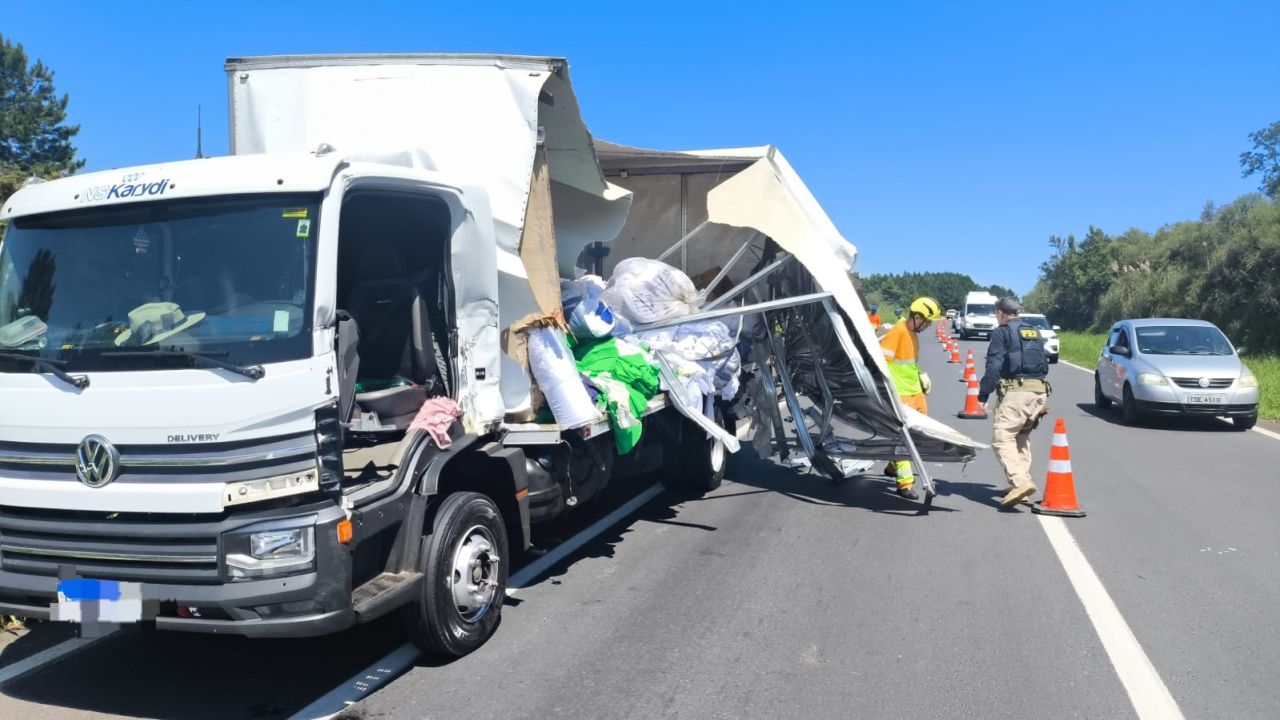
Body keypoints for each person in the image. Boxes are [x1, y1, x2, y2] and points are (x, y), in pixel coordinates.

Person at [978, 297, 1051, 507]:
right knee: (1020, 438)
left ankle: (1020, 482)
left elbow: (993, 366)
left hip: (1017, 392)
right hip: (1039, 391)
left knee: (1002, 437)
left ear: (1001, 313)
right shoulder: (1033, 331)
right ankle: (1023, 484)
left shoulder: (1002, 332)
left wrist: (984, 394)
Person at [879, 296, 940, 499]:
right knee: (904, 438)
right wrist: (888, 393)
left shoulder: (913, 334)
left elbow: (908, 364)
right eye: (928, 321)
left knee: (919, 434)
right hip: (900, 394)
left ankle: (891, 466)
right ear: (917, 316)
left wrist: (921, 376)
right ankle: (904, 484)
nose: (929, 325)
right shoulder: (898, 331)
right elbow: (882, 363)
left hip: (914, 392)